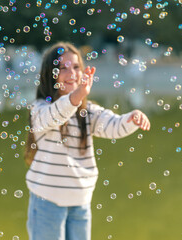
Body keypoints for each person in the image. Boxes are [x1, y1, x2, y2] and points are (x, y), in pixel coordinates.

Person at [24, 42, 151, 240]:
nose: (71, 73)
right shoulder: (40, 109)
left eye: (76, 67)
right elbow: (53, 116)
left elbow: (113, 125)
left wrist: (131, 118)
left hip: (80, 202)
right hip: (47, 201)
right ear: (50, 74)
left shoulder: (88, 111)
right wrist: (77, 96)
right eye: (62, 68)